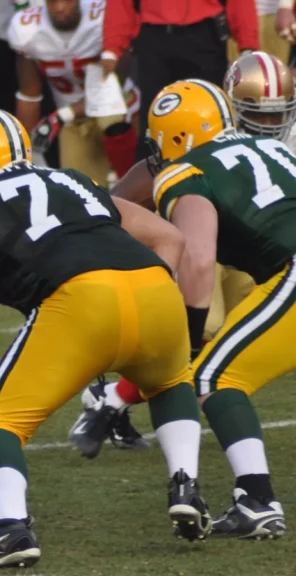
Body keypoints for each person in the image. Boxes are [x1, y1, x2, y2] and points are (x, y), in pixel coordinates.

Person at [0, 108, 210, 570]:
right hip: (154, 287)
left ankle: (10, 528)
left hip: (79, 300)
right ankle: (186, 485)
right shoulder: (73, 179)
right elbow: (171, 239)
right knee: (169, 381)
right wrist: (143, 292)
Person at [70, 51, 293, 458]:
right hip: (203, 244)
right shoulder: (191, 149)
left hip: (263, 250)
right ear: (229, 110)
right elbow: (123, 200)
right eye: (256, 115)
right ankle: (118, 398)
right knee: (205, 331)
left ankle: (114, 398)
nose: (269, 125)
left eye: (277, 114)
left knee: (231, 337)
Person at [115, 79, 293, 539]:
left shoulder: (186, 170)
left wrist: (191, 338)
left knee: (212, 377)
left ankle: (257, 501)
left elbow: (196, 258)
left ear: (175, 135)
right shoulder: (274, 148)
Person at [102, 0, 259, 157]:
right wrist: (111, 47)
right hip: (154, 39)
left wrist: (248, 44)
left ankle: (213, 167)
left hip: (204, 37)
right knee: (153, 117)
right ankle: (153, 169)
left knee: (209, 116)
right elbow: (120, 4)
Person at [10, 0, 138, 186]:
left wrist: (61, 116)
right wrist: (28, 153)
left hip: (115, 106)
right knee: (79, 189)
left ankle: (129, 182)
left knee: (111, 116)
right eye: (53, 2)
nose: (60, 8)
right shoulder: (28, 29)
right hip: (71, 121)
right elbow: (29, 96)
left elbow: (114, 83)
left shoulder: (102, 15)